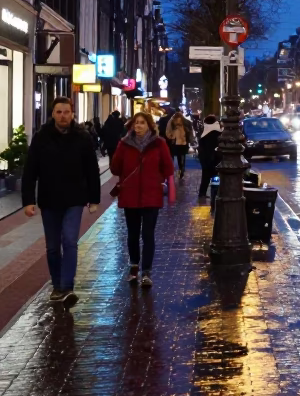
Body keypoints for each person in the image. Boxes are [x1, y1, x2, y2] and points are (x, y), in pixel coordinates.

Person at [21, 97, 101, 308]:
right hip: (49, 200)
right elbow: (30, 171)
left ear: (72, 114)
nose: (63, 116)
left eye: (66, 112)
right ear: (53, 114)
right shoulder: (41, 138)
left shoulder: (82, 138)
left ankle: (67, 287)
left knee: (70, 241)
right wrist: (28, 201)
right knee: (53, 247)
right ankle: (57, 286)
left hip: (74, 199)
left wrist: (94, 199)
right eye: (59, 112)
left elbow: (92, 170)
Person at [110, 111, 174, 287]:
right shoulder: (124, 144)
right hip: (130, 195)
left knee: (148, 234)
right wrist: (119, 150)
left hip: (151, 195)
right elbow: (115, 168)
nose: (138, 126)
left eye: (142, 123)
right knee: (132, 234)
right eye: (135, 123)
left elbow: (168, 167)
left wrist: (156, 179)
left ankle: (146, 271)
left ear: (149, 126)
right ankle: (134, 266)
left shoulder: (159, 144)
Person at [197, 115, 222, 200]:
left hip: (205, 159)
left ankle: (202, 193)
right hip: (215, 159)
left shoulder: (204, 133)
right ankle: (215, 193)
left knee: (205, 177)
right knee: (216, 177)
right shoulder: (217, 134)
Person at [165, 112, 191, 180]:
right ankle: (181, 169)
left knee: (173, 156)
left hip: (175, 142)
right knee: (182, 157)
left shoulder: (171, 121)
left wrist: (172, 136)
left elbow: (168, 132)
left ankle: (175, 170)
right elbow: (190, 132)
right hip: (183, 142)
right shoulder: (186, 122)